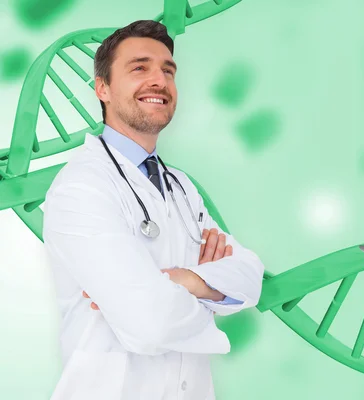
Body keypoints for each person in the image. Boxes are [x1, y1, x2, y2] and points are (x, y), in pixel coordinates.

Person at [43, 20, 264, 400]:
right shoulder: (80, 187)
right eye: (139, 68)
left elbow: (250, 275)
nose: (158, 81)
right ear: (103, 89)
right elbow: (152, 321)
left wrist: (187, 280)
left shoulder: (181, 187)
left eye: (167, 70)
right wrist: (211, 294)